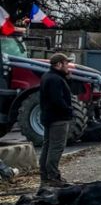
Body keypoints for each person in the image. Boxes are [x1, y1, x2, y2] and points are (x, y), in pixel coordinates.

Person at [38, 54, 73, 188]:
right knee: (56, 147)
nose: (68, 66)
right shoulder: (55, 80)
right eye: (66, 64)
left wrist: (67, 76)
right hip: (58, 118)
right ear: (58, 64)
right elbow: (57, 100)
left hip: (49, 117)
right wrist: (68, 110)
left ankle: (45, 176)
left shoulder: (48, 77)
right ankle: (53, 177)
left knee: (47, 146)